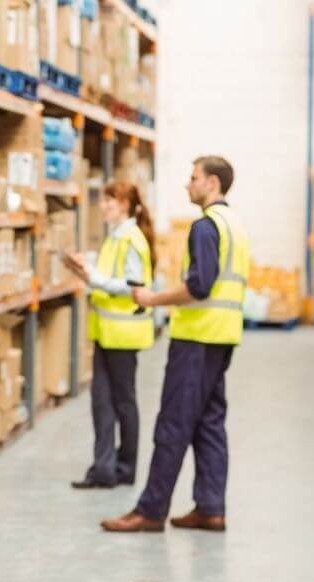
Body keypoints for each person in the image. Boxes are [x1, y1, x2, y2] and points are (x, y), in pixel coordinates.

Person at [101, 156, 249, 533]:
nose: (188, 184)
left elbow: (199, 286)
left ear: (212, 183)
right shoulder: (234, 224)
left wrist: (152, 299)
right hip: (222, 337)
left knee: (173, 425)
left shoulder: (205, 227)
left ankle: (150, 511)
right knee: (209, 424)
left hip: (196, 339)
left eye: (193, 178)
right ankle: (211, 508)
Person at [65, 181, 156, 489]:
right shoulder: (115, 237)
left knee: (124, 402)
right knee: (101, 401)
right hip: (106, 331)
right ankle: (103, 469)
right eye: (104, 201)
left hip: (124, 333)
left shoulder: (131, 238)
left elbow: (133, 284)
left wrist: (93, 278)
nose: (104, 206)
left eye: (111, 201)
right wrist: (86, 267)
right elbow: (110, 276)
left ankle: (126, 468)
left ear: (127, 206)